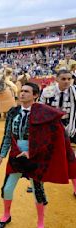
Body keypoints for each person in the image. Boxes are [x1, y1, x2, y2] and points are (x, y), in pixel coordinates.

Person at [0, 82, 76, 228]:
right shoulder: (13, 112)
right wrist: (1, 156)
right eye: (21, 91)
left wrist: (32, 152)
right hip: (15, 156)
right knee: (6, 188)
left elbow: (48, 139)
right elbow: (7, 135)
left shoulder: (42, 113)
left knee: (38, 191)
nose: (22, 93)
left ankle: (40, 222)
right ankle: (6, 215)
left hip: (35, 158)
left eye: (26, 91)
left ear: (35, 95)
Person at [40, 69, 76, 197]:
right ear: (57, 79)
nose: (67, 81)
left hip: (68, 125)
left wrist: (72, 126)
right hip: (50, 127)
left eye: (69, 79)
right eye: (63, 79)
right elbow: (41, 109)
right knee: (44, 154)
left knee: (71, 156)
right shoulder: (47, 91)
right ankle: (38, 183)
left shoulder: (74, 92)